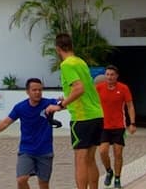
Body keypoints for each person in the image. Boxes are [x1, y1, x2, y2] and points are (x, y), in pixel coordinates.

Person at [43, 33, 103, 189]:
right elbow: (82, 88)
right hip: (96, 114)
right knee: (90, 159)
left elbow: (79, 88)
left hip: (82, 118)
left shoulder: (66, 65)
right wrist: (66, 97)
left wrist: (61, 105)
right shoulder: (80, 62)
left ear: (57, 49)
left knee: (80, 159)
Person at [0, 78, 59, 189]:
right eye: (34, 90)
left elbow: (64, 104)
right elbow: (5, 123)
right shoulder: (20, 107)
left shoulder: (48, 103)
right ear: (27, 91)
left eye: (40, 90)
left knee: (43, 184)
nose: (37, 92)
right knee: (21, 179)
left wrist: (60, 104)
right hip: (26, 150)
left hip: (45, 150)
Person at [96, 66, 136, 188]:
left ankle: (117, 178)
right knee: (102, 151)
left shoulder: (123, 88)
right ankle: (109, 171)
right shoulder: (99, 88)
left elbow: (130, 106)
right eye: (107, 74)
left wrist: (132, 123)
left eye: (112, 74)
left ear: (117, 76)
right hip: (103, 125)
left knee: (118, 153)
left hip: (119, 125)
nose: (109, 77)